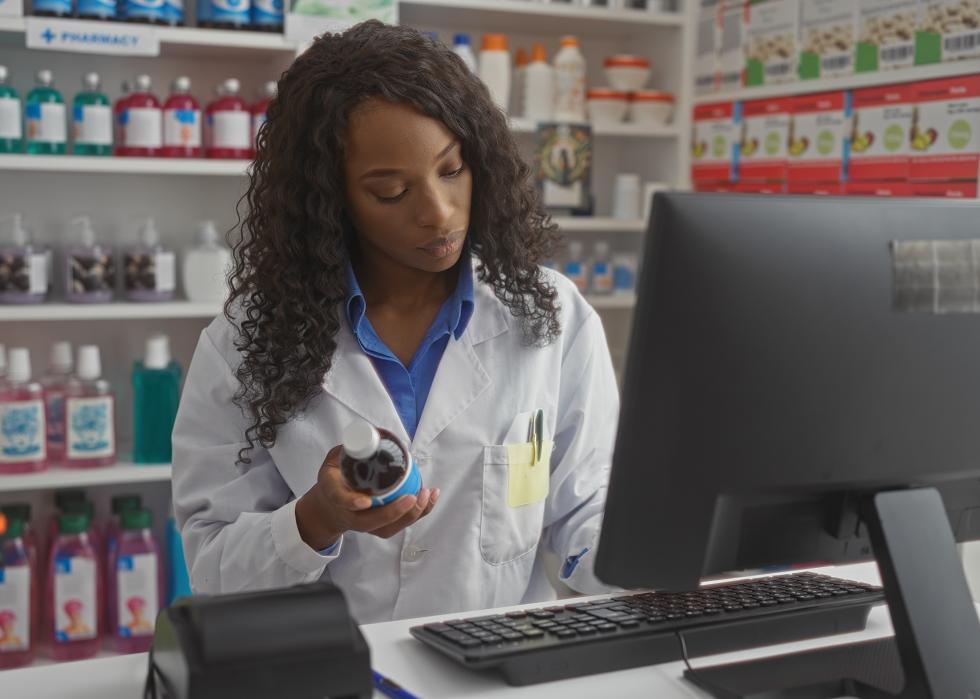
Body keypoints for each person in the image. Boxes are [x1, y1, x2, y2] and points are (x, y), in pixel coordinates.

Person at [172, 21, 620, 624]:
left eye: (452, 170)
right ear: (331, 200)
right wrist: (315, 520)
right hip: (332, 671)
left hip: (497, 670)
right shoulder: (245, 342)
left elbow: (586, 510)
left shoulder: (551, 317)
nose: (438, 214)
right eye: (389, 192)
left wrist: (672, 577)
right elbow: (214, 566)